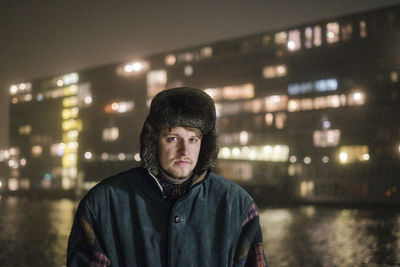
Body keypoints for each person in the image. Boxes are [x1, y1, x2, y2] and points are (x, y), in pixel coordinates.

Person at [67, 87, 268, 266]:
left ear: (204, 145)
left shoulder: (238, 205)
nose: (185, 151)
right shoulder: (102, 204)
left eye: (193, 139)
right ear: (153, 141)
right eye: (173, 139)